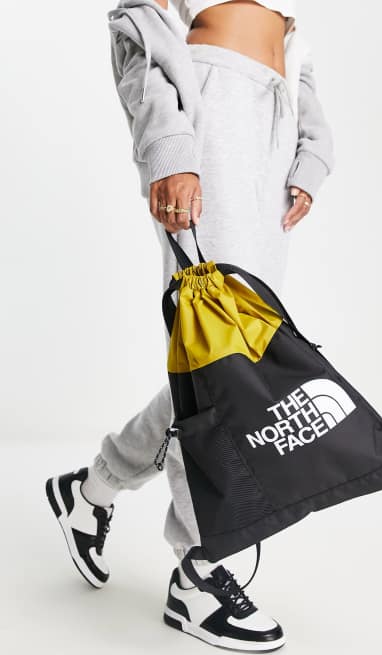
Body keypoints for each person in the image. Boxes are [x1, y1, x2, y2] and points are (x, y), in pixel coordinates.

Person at [46, 0, 334, 650]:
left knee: (237, 358)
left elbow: (295, 44)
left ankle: (92, 490)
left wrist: (312, 148)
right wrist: (169, 148)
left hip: (273, 125)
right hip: (212, 108)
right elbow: (139, 24)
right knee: (219, 360)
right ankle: (201, 569)